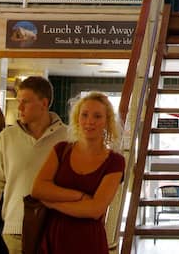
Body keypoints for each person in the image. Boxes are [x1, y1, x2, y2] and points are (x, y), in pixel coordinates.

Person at [31, 92, 125, 254]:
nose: (90, 122)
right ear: (77, 119)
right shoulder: (61, 150)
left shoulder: (115, 161)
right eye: (85, 115)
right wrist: (80, 197)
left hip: (89, 241)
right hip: (55, 238)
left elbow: (95, 209)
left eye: (97, 116)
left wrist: (52, 202)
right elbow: (38, 189)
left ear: (107, 122)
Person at [0, 76, 69, 254]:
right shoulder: (6, 137)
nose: (19, 108)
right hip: (14, 231)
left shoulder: (68, 137)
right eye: (19, 101)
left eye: (25, 102)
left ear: (44, 103)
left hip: (55, 228)